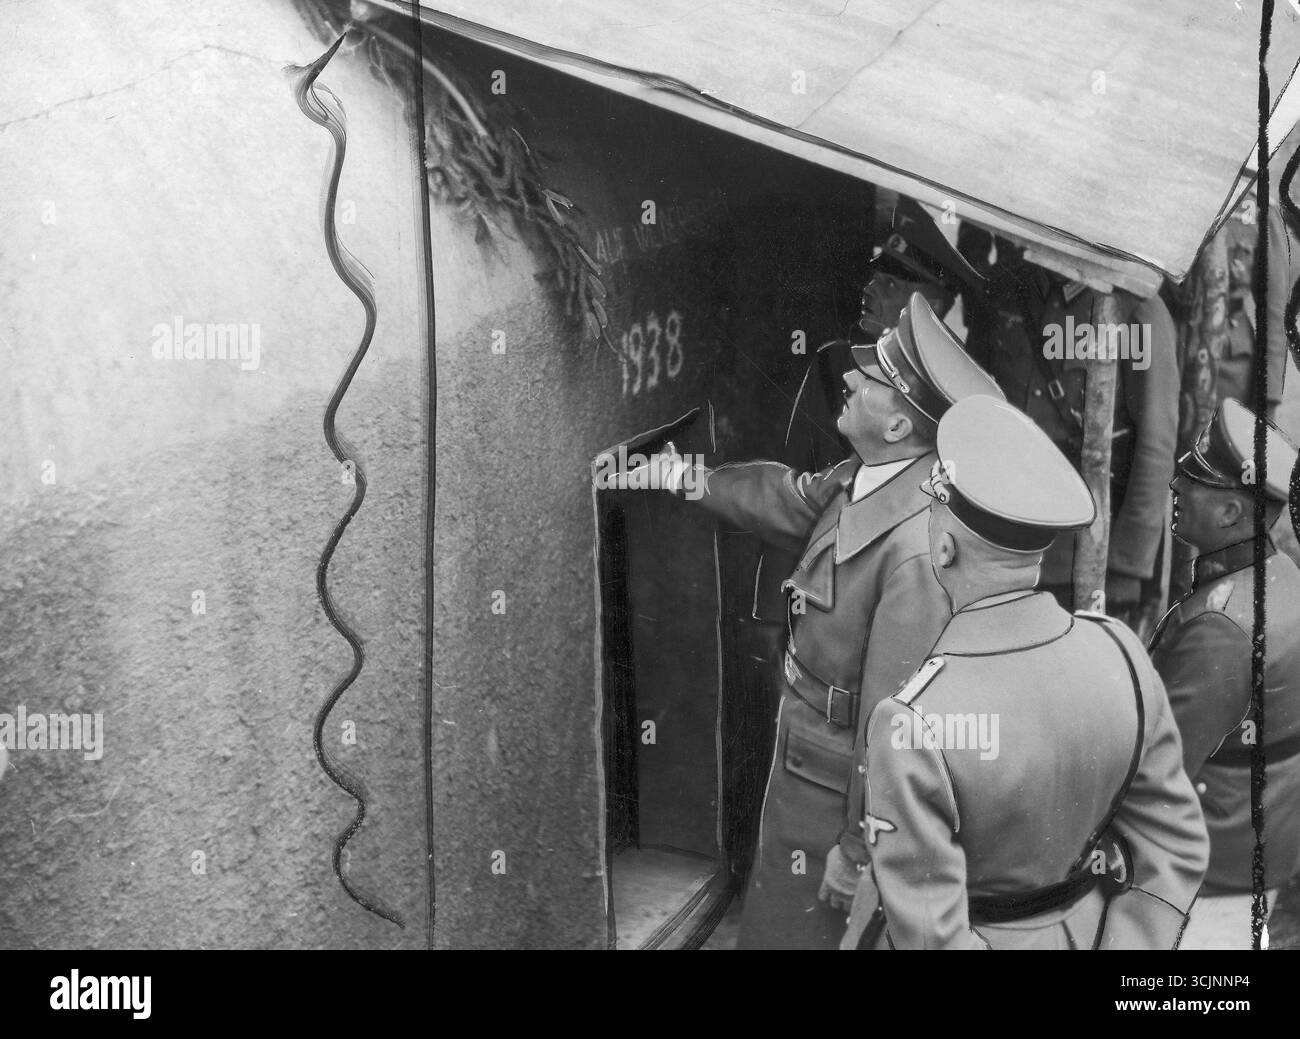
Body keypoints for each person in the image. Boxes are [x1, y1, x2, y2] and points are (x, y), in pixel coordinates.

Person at [622, 293, 1002, 948]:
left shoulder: (914, 551)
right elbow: (788, 496)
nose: (850, 376)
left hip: (833, 794)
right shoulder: (867, 476)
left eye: (874, 378)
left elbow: (894, 719)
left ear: (897, 427)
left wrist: (857, 850)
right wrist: (676, 471)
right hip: (802, 762)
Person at [838, 394, 1208, 949]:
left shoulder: (909, 724)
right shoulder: (1122, 653)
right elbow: (1175, 845)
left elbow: (931, 938)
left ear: (942, 548)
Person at [957, 232, 1179, 626]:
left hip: (1078, 549)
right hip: (996, 536)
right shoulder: (1008, 286)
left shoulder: (1136, 309)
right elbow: (971, 402)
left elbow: (1155, 443)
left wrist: (1127, 564)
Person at [1149, 399, 1300, 907]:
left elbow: (1159, 771)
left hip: (1215, 861)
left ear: (1232, 511)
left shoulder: (1221, 625)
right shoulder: (1284, 578)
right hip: (1268, 836)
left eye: (1193, 480)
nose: (1175, 487)